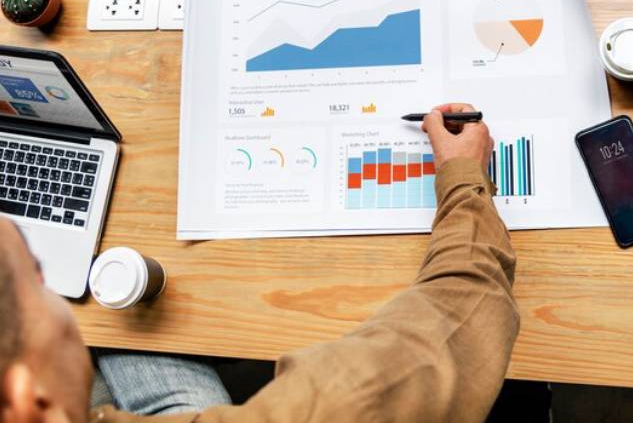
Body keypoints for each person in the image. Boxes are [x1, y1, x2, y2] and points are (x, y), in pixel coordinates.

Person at [0, 104, 519, 423]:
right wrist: (462, 175)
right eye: (38, 278)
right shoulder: (330, 409)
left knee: (126, 323)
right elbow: (464, 303)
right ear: (27, 399)